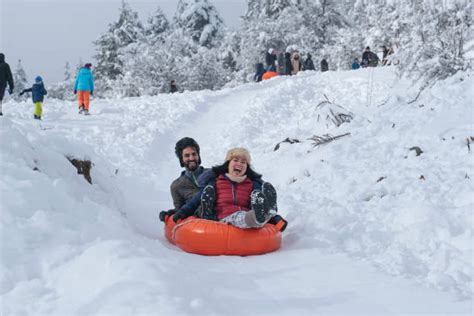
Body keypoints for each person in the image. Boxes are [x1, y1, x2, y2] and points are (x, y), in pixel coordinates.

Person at [173, 148, 287, 231]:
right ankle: (207, 210)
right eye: (236, 160)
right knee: (239, 217)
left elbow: (259, 204)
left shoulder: (252, 184)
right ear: (228, 164)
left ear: (247, 168)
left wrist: (277, 220)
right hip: (223, 218)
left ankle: (268, 212)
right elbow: (196, 200)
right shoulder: (215, 181)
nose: (239, 164)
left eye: (243, 162)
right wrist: (182, 212)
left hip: (247, 216)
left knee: (255, 209)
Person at [159, 137, 207, 221]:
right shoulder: (177, 186)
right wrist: (169, 214)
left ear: (198, 155)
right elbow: (180, 210)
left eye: (194, 154)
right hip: (198, 222)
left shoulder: (212, 175)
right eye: (187, 155)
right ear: (181, 159)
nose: (191, 158)